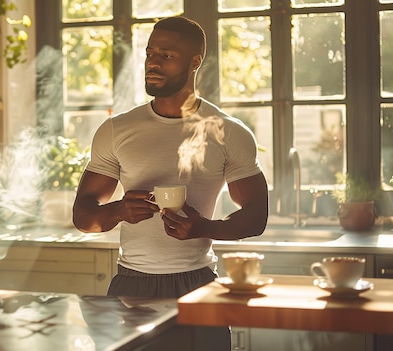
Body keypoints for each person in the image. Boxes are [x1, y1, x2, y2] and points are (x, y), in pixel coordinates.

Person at [72, 16, 269, 349]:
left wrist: (204, 227)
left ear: (195, 62)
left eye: (167, 54)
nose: (153, 62)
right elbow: (83, 216)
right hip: (130, 285)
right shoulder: (116, 130)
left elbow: (256, 215)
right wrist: (120, 210)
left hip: (198, 285)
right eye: (150, 53)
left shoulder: (228, 131)